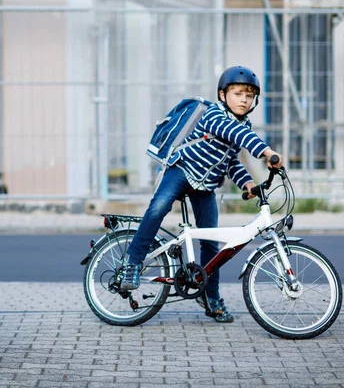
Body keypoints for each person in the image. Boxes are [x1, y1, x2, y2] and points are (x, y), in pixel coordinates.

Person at [121, 65, 283, 323]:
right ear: (223, 95)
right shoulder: (214, 116)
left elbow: (231, 161)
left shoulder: (244, 123)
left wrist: (247, 184)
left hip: (206, 185)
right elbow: (238, 135)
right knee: (158, 208)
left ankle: (210, 296)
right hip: (182, 170)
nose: (244, 99)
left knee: (211, 240)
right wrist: (266, 152)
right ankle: (133, 262)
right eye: (238, 93)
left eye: (249, 96)